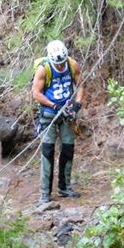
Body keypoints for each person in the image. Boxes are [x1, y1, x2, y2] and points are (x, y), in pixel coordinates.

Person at [31, 40, 84, 205]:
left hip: (67, 115)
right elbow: (36, 93)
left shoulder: (72, 64)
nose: (60, 66)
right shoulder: (43, 69)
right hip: (49, 115)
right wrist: (54, 105)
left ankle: (65, 187)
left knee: (68, 148)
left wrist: (77, 104)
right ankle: (45, 194)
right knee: (48, 151)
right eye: (57, 64)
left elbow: (80, 84)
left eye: (62, 63)